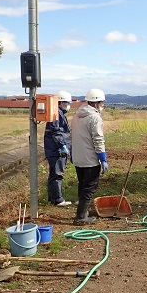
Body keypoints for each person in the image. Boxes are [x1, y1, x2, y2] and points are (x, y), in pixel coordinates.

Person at [70, 88, 109, 224]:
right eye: (101, 102)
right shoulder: (94, 117)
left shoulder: (76, 115)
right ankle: (80, 217)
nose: (102, 104)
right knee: (90, 187)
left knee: (82, 184)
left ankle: (83, 212)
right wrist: (103, 158)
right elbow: (98, 139)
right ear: (96, 103)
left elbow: (72, 136)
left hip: (78, 157)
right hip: (90, 159)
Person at [44, 91, 73, 207]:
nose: (68, 105)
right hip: (56, 150)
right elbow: (56, 132)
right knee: (57, 174)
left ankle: (53, 198)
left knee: (54, 174)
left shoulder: (58, 113)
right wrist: (62, 145)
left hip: (54, 149)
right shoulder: (56, 114)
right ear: (61, 102)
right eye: (67, 103)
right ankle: (58, 199)